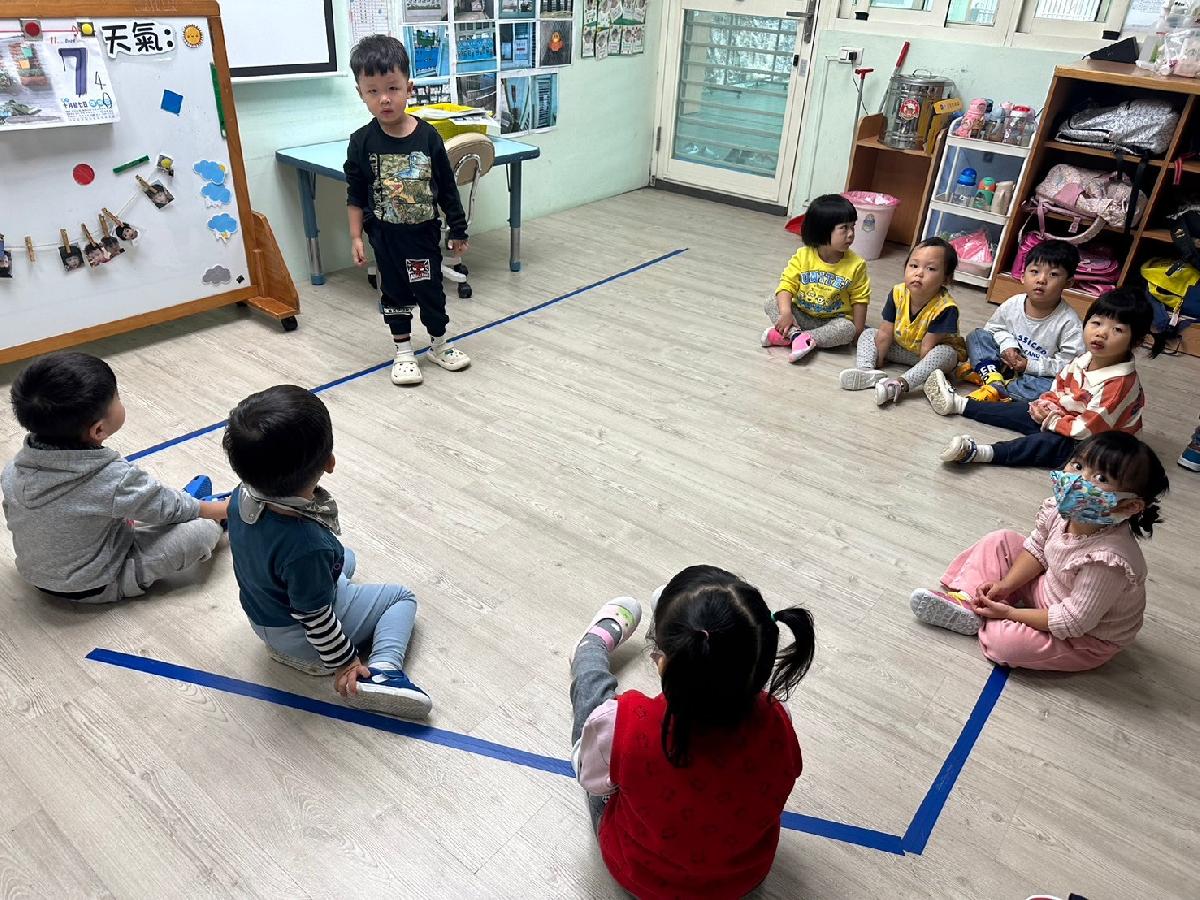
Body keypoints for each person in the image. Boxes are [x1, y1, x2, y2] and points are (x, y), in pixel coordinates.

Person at [570, 566, 814, 899]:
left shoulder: (625, 724)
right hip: (742, 879)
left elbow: (589, 777)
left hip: (641, 878)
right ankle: (675, 620)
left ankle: (589, 650)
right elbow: (789, 775)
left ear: (664, 664)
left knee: (596, 721)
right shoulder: (778, 720)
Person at [222, 385, 432, 720]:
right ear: (329, 462)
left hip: (263, 615)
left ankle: (301, 638)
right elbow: (315, 617)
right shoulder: (305, 545)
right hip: (301, 639)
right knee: (400, 597)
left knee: (345, 558)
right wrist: (346, 662)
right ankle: (384, 672)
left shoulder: (239, 497)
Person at [909, 432, 1167, 672]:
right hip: (1049, 588)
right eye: (1078, 466)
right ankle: (970, 601)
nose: (1078, 480)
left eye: (1100, 479)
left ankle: (986, 614)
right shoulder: (1058, 510)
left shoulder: (1109, 559)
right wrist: (1005, 586)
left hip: (1086, 636)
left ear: (1131, 505)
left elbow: (1074, 621)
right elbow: (1037, 549)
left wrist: (1009, 613)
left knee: (1005, 644)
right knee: (1001, 540)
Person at [1, 352, 227, 604]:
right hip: (98, 583)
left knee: (143, 507)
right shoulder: (112, 478)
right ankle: (217, 517)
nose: (120, 399)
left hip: (38, 575)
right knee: (198, 532)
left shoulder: (13, 469)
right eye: (117, 397)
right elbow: (161, 508)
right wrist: (225, 509)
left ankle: (183, 505)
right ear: (98, 430)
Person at [345, 34, 471, 387]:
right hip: (385, 239)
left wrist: (458, 230)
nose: (384, 98)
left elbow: (446, 187)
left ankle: (439, 345)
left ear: (408, 88)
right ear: (361, 94)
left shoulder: (428, 136)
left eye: (393, 88)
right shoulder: (361, 141)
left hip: (423, 236)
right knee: (395, 294)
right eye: (372, 91)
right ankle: (402, 350)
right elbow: (355, 191)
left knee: (430, 291)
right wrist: (356, 235)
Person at [926, 287, 1151, 468]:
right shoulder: (1085, 359)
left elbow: (1085, 430)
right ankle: (960, 404)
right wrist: (1047, 405)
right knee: (1022, 410)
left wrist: (1050, 420)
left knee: (1048, 444)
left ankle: (982, 453)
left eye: (1117, 330)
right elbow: (1060, 387)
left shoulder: (1119, 383)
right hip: (1067, 420)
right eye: (1097, 323)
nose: (1101, 333)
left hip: (1098, 447)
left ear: (1137, 341)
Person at [838, 237, 964, 406]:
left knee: (945, 353)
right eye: (914, 265)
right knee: (869, 333)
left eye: (931, 268)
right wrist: (879, 361)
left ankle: (899, 384)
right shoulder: (897, 293)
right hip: (903, 347)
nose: (919, 273)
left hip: (929, 356)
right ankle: (866, 371)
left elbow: (928, 347)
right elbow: (885, 332)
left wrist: (921, 373)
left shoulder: (946, 308)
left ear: (945, 279)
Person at [957, 240, 1083, 403]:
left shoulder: (1069, 323)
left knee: (1054, 389)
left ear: (1068, 283)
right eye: (1035, 271)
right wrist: (1008, 346)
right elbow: (993, 330)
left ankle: (992, 380)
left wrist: (1029, 366)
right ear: (1023, 276)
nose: (1041, 280)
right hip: (1005, 361)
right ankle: (994, 380)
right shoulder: (1013, 303)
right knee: (977, 336)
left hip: (1034, 375)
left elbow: (1069, 365)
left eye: (1053, 274)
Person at [761, 194, 870, 363]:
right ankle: (797, 336)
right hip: (802, 314)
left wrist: (858, 332)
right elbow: (786, 285)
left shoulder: (857, 264)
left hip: (832, 321)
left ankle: (792, 336)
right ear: (822, 230)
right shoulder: (803, 255)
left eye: (853, 227)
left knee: (847, 329)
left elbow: (860, 299)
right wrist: (786, 313)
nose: (851, 234)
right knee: (771, 301)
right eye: (844, 228)